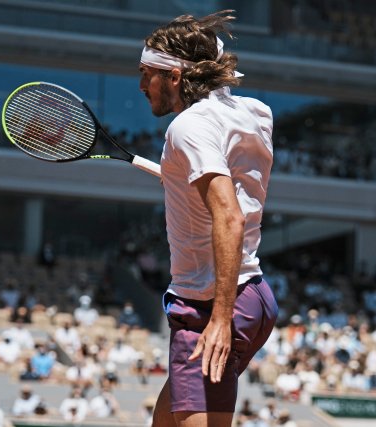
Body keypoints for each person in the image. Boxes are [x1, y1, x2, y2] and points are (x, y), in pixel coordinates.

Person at [138, 10, 278, 426]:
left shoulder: (187, 127)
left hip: (209, 305)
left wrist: (219, 318)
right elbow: (231, 187)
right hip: (256, 296)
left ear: (175, 77)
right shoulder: (255, 112)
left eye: (148, 74)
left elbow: (229, 218)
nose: (143, 85)